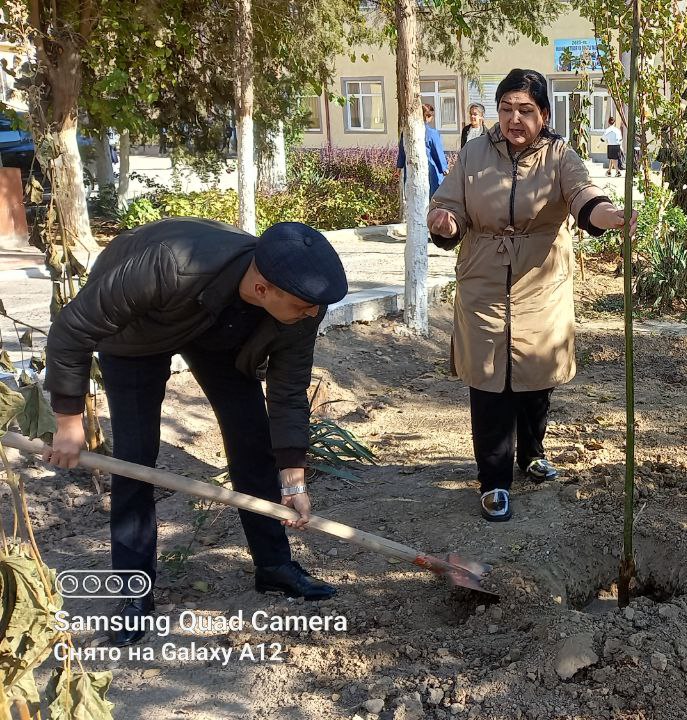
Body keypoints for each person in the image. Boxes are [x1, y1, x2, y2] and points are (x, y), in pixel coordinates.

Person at [44, 218, 349, 645]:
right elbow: (72, 329)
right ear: (263, 289)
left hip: (222, 329)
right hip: (139, 329)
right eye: (305, 306)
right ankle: (134, 593)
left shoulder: (301, 302)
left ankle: (274, 566)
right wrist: (68, 422)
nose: (313, 313)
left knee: (252, 440)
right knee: (135, 459)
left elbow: (288, 391)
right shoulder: (170, 265)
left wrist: (293, 476)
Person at [426, 68, 629, 522]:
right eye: (506, 109)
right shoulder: (474, 153)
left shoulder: (559, 155)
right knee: (489, 382)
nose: (514, 119)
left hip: (541, 282)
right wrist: (445, 222)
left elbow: (584, 195)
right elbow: (449, 205)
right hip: (483, 282)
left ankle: (532, 452)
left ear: (544, 115)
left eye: (525, 110)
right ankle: (494, 480)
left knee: (536, 377)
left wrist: (608, 214)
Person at [397, 102, 449, 199]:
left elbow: (402, 150)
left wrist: (399, 166)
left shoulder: (407, 132)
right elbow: (438, 152)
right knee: (430, 197)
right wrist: (444, 168)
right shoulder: (432, 133)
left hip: (411, 169)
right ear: (428, 117)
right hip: (429, 169)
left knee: (414, 197)